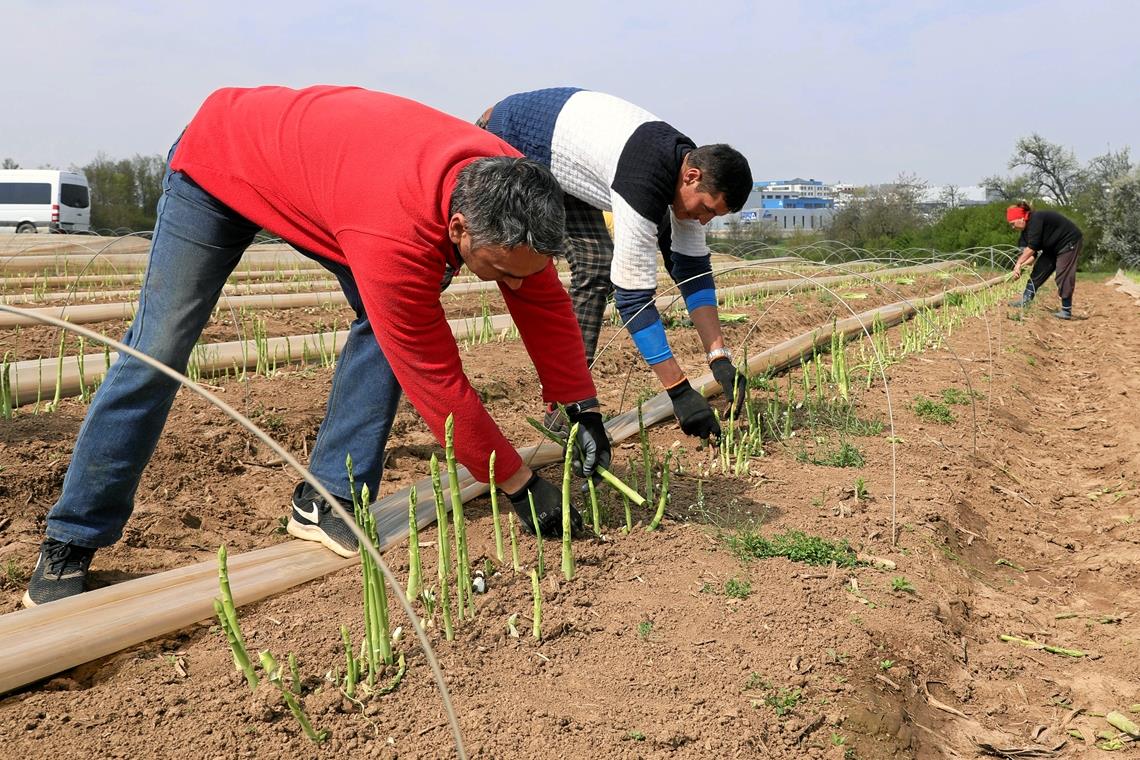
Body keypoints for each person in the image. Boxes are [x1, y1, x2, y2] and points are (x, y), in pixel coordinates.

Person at [24, 85, 611, 607]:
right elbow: (434, 377)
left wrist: (581, 405)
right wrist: (516, 484)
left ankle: (328, 496)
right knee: (159, 350)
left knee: (389, 325)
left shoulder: (511, 188)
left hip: (326, 176)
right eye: (499, 270)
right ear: (458, 228)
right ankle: (72, 536)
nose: (513, 284)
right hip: (220, 161)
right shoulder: (395, 235)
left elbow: (539, 295)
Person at [478, 88, 753, 440]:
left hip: (567, 164)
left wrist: (720, 359)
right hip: (513, 140)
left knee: (595, 264)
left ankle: (566, 404)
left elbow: (693, 273)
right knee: (489, 251)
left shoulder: (687, 175)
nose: (704, 221)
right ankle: (568, 399)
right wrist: (679, 391)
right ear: (692, 176)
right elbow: (633, 299)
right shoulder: (644, 178)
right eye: (708, 209)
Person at [1006, 202, 1083, 320]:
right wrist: (1020, 267)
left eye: (1013, 223)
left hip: (1068, 242)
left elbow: (1032, 248)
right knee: (1038, 271)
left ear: (1021, 219)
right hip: (1052, 247)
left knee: (1063, 275)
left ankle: (1066, 310)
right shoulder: (1024, 234)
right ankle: (1025, 300)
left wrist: (1018, 264)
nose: (1012, 227)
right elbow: (1031, 256)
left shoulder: (1036, 219)